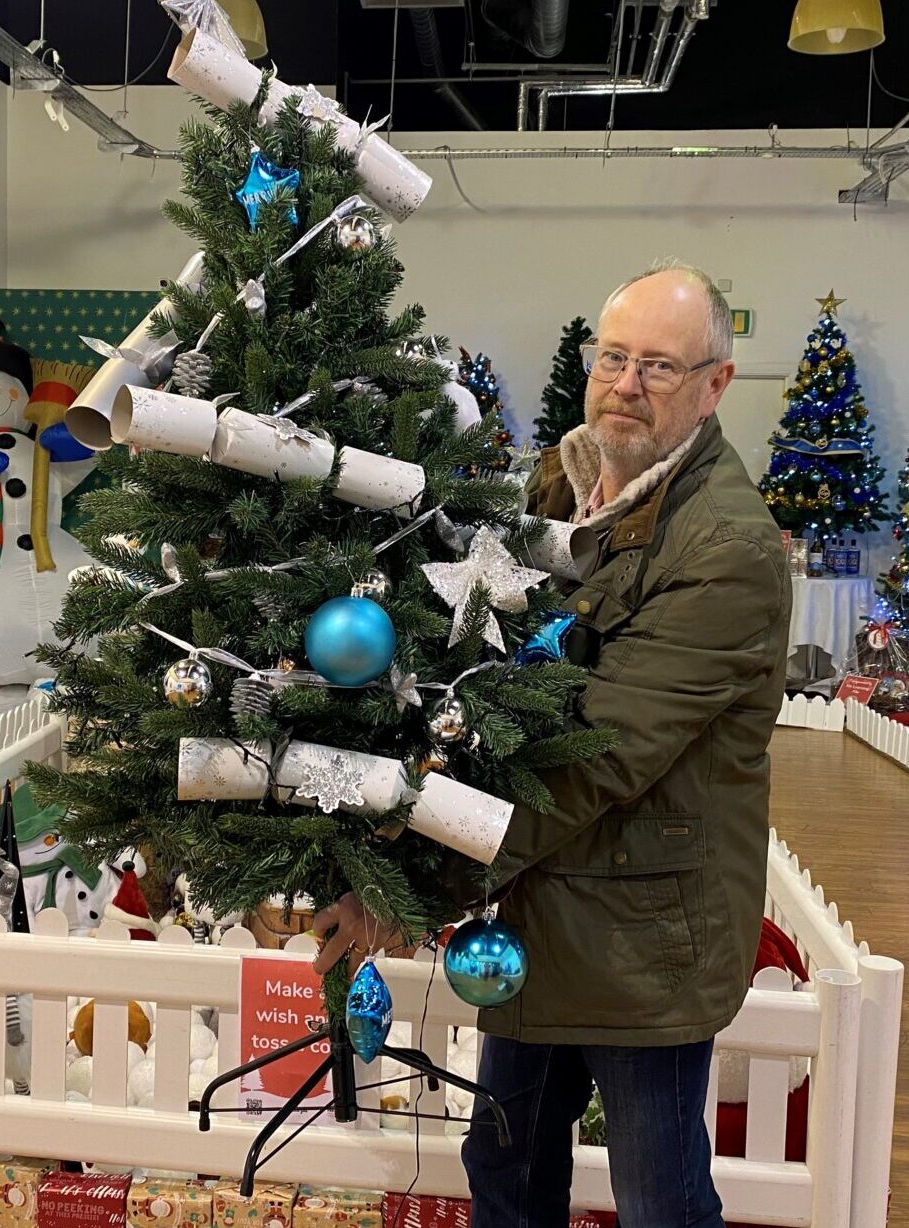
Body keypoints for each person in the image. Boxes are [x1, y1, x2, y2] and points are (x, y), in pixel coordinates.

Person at [314, 261, 790, 1227]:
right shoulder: (546, 493)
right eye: (613, 357)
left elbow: (591, 755)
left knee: (657, 1197)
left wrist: (416, 885)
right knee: (507, 1176)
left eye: (659, 366)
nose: (626, 383)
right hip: (534, 912)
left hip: (642, 940)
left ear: (714, 385)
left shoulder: (726, 548)